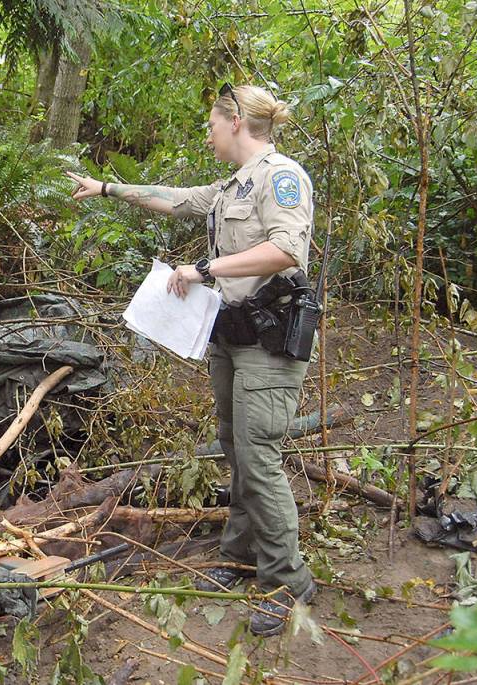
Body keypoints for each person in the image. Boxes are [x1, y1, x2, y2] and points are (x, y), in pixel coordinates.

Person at [67, 83, 316, 637]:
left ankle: (286, 580)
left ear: (235, 121)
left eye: (211, 124)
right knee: (236, 448)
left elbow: (287, 249)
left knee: (259, 458)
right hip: (232, 338)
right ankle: (240, 555)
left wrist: (204, 271)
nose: (206, 135)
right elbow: (175, 199)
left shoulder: (282, 177)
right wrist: (106, 187)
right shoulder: (233, 186)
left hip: (270, 343)